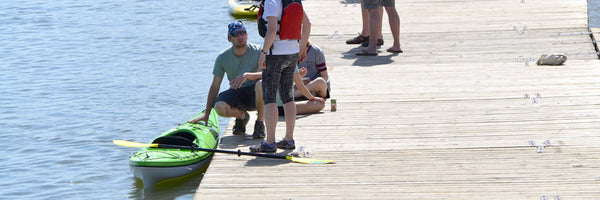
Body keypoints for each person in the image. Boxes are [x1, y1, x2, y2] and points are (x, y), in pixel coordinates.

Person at [250, 0, 324, 153]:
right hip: (292, 53)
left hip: (275, 54)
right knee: (287, 96)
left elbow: (271, 31)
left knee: (269, 97)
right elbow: (307, 24)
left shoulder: (272, 2)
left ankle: (270, 142)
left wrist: (263, 53)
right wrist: (302, 47)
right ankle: (289, 139)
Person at [189, 20, 266, 139]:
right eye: (235, 34)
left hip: (256, 94)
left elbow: (270, 74)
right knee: (219, 106)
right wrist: (207, 114)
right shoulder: (222, 57)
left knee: (260, 84)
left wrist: (247, 75)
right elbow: (215, 86)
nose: (240, 37)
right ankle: (241, 116)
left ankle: (260, 124)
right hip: (237, 92)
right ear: (229, 38)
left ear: (247, 35)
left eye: (242, 33)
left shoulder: (258, 51)